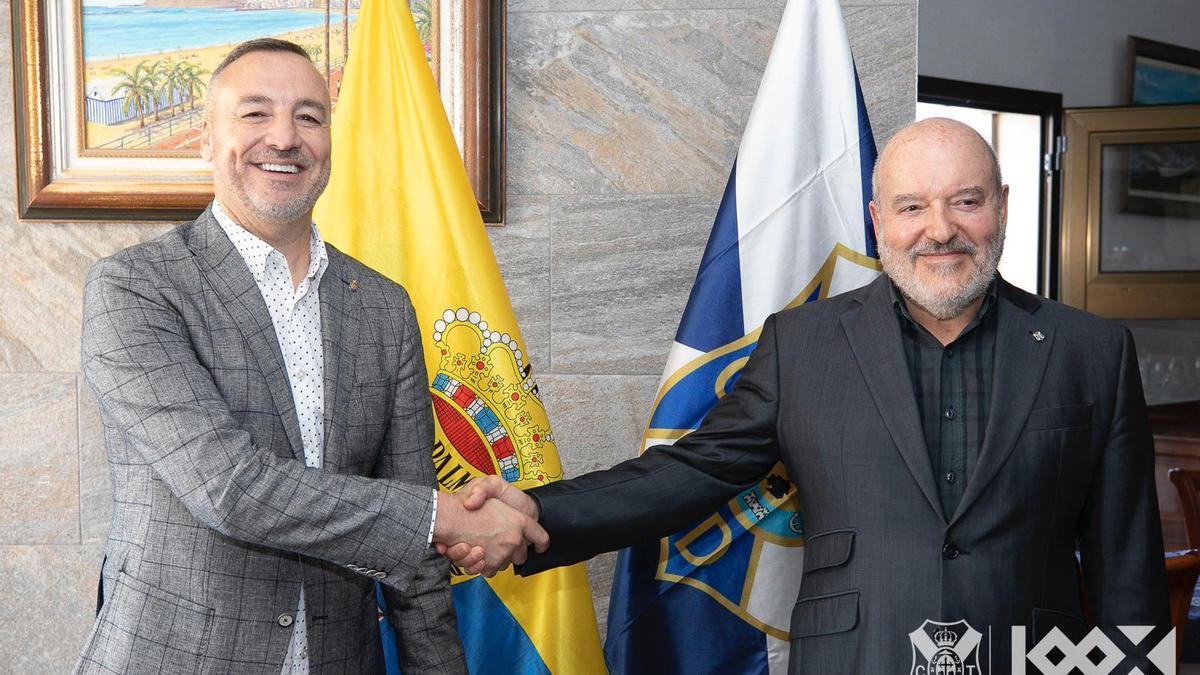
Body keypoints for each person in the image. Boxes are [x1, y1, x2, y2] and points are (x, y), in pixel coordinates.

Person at [445, 118, 1171, 672]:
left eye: (966, 201)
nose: (940, 229)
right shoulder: (804, 346)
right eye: (912, 206)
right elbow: (684, 473)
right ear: (877, 219)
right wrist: (540, 511)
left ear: (1003, 207)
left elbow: (1128, 571)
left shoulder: (1092, 354)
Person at [76, 38, 542, 675]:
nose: (285, 137)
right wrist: (441, 518)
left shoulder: (384, 307)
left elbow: (415, 559)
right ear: (206, 140)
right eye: (255, 113)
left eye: (309, 116)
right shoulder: (135, 288)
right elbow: (230, 489)